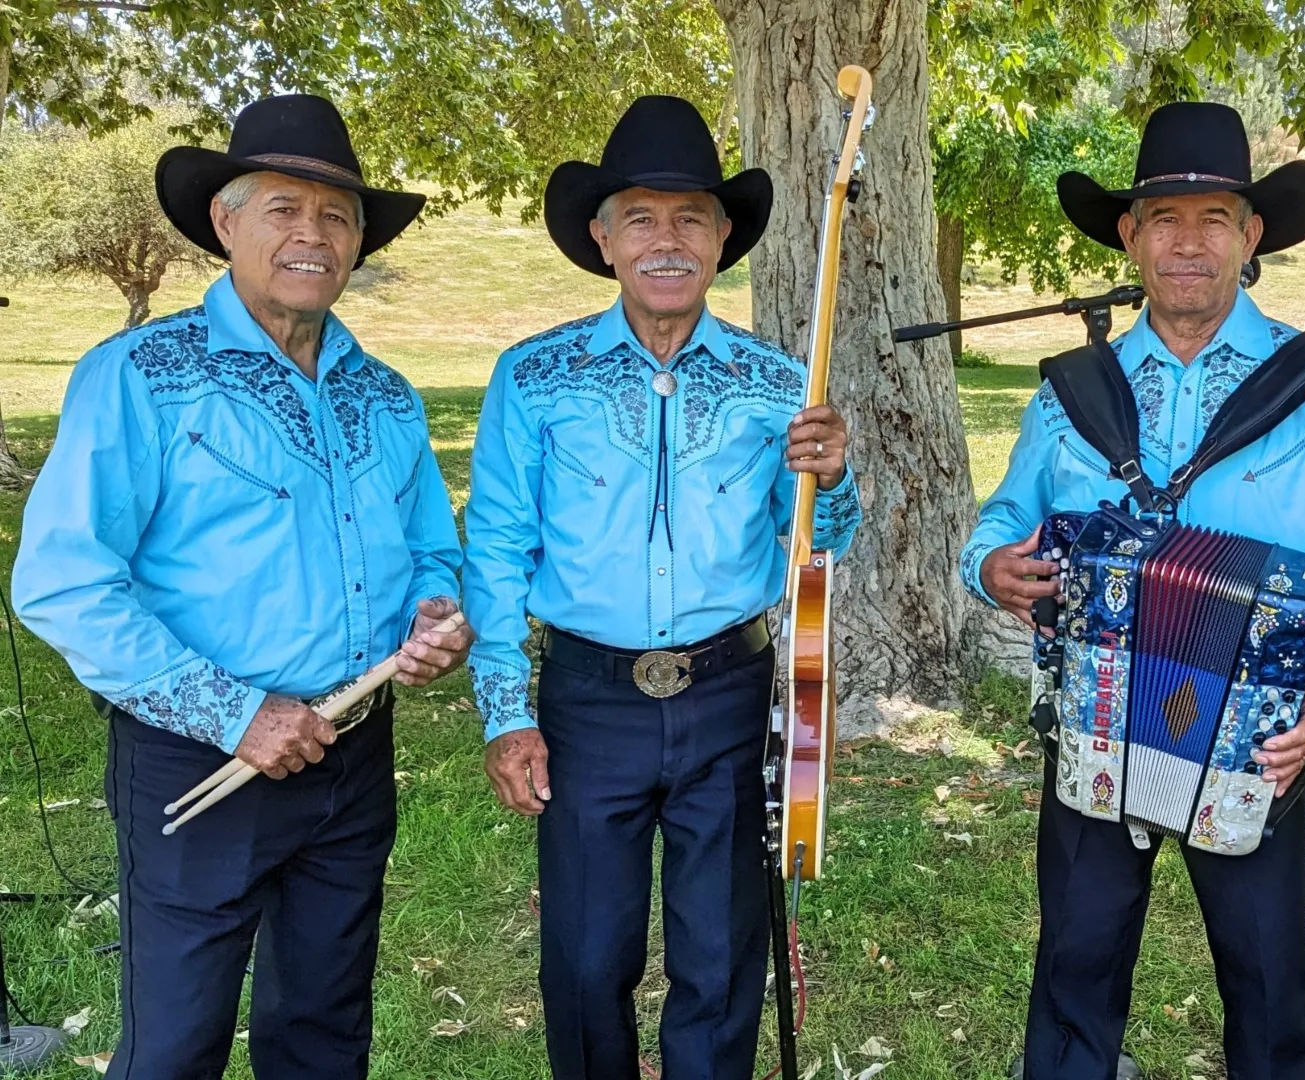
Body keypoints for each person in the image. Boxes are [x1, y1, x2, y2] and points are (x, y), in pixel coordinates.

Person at [10, 94, 472, 1079]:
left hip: (352, 757)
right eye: (284, 209)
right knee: (177, 1047)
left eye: (337, 215)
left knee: (323, 1033)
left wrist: (433, 619)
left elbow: (432, 551)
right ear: (225, 222)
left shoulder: (384, 393)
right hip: (198, 761)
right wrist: (234, 711)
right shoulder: (141, 376)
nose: (313, 235)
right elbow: (61, 580)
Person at [960, 101, 1305, 1080]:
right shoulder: (1069, 390)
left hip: (1258, 716)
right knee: (1075, 958)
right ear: (1130, 237)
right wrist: (990, 564)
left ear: (1252, 238)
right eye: (1164, 217)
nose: (1189, 240)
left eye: (1215, 217)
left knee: (1265, 974)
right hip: (1097, 709)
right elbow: (1003, 518)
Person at [461, 95, 862, 1080]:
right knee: (589, 957)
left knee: (722, 955)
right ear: (603, 238)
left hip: (731, 693)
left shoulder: (779, 382)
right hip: (587, 702)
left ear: (724, 238)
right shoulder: (534, 377)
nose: (668, 239)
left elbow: (815, 546)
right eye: (641, 216)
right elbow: (496, 552)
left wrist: (836, 479)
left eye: (692, 217)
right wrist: (505, 712)